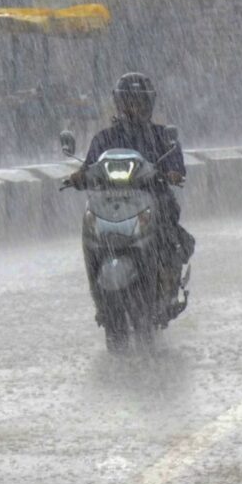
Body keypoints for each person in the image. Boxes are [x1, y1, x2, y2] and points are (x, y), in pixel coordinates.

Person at [69, 72, 195, 323]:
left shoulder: (162, 137)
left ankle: (167, 280)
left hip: (152, 200)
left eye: (138, 101)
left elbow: (176, 167)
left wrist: (170, 173)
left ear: (149, 104)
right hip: (109, 204)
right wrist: (78, 176)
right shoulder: (104, 138)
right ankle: (99, 295)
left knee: (168, 230)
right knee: (91, 236)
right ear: (118, 103)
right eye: (128, 101)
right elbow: (89, 166)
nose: (132, 108)